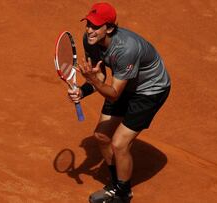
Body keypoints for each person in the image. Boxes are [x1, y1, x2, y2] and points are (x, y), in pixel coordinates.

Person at [67, 2, 171, 203]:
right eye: (88, 24)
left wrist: (92, 81)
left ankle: (124, 194)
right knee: (101, 136)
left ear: (110, 28)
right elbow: (100, 75)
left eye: (96, 26)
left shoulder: (126, 49)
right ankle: (116, 186)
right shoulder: (90, 40)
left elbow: (112, 94)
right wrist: (82, 90)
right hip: (123, 85)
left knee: (119, 143)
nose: (90, 30)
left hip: (150, 91)